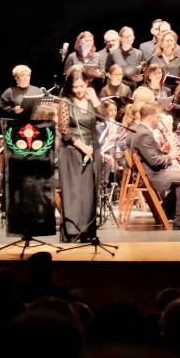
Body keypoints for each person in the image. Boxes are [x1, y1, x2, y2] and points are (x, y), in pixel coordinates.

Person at [129, 102, 180, 230]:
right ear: (150, 117)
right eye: (157, 117)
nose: (159, 120)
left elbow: (149, 155)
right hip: (151, 175)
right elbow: (155, 162)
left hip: (146, 172)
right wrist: (171, 156)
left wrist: (162, 150)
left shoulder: (138, 130)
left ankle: (168, 211)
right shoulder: (144, 134)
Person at [57, 68, 102, 241]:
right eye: (75, 87)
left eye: (82, 86)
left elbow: (104, 118)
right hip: (72, 152)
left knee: (89, 192)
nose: (79, 90)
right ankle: (73, 231)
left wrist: (96, 100)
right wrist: (82, 146)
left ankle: (88, 232)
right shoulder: (65, 102)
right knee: (74, 192)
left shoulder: (91, 101)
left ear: (87, 83)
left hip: (93, 149)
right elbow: (64, 130)